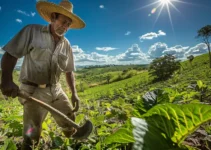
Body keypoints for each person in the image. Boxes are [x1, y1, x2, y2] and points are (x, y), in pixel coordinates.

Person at [0, 0, 85, 149]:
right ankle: (30, 145)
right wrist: (6, 80)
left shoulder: (67, 44)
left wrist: (74, 93)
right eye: (63, 22)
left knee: (69, 118)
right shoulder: (32, 31)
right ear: (53, 17)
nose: (65, 27)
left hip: (56, 90)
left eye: (68, 24)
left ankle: (70, 142)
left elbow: (69, 71)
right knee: (32, 131)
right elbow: (10, 54)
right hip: (33, 91)